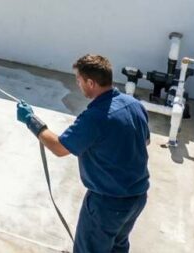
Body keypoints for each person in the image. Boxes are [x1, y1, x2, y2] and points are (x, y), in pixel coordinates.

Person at [15, 54, 150, 253]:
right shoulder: (134, 105)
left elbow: (59, 148)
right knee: (117, 247)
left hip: (107, 204)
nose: (78, 84)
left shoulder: (95, 117)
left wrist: (31, 121)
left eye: (78, 80)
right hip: (137, 198)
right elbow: (145, 140)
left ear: (91, 82)